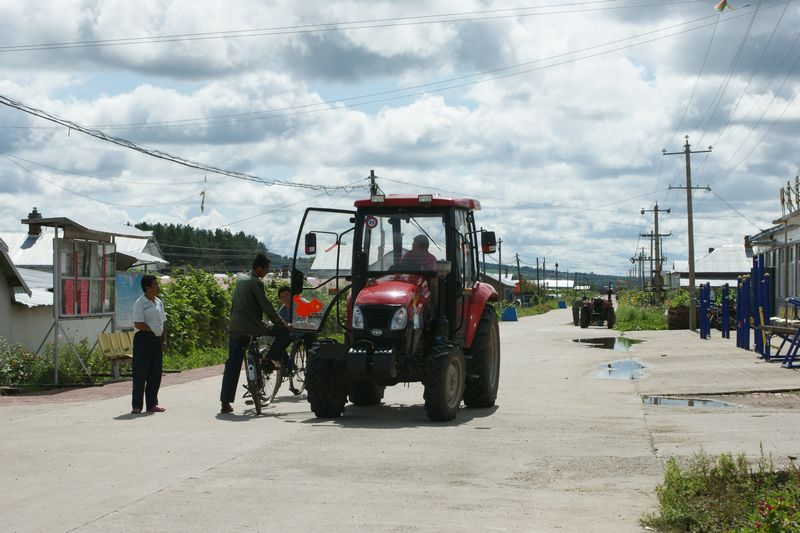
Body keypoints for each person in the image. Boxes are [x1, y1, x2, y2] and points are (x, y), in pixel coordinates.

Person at [220, 254, 292, 414]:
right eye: (266, 269)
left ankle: (225, 403)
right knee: (284, 333)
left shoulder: (241, 281)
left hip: (235, 328)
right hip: (252, 327)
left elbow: (234, 306)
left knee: (232, 364)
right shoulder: (255, 283)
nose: (267, 272)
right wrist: (282, 324)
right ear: (259, 268)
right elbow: (266, 306)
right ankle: (268, 359)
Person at [131, 274, 167, 414]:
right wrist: (152, 329)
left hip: (156, 340)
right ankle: (137, 405)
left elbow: (163, 322)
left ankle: (152, 403)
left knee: (155, 373)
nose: (157, 287)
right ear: (147, 288)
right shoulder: (140, 303)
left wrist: (164, 340)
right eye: (155, 284)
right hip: (143, 339)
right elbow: (138, 324)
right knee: (140, 373)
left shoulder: (158, 302)